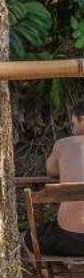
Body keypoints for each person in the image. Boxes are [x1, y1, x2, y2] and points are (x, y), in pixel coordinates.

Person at [44, 101, 84, 255]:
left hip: (68, 239)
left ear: (82, 118)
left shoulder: (63, 144)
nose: (72, 131)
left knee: (28, 239)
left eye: (73, 124)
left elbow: (51, 171)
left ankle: (48, 276)